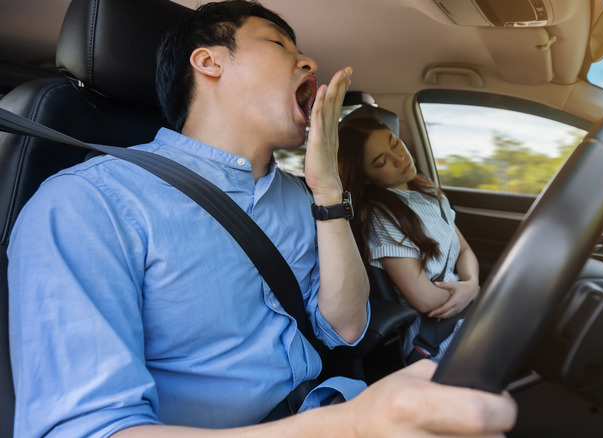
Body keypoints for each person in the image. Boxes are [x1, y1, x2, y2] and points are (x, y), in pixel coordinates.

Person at [7, 0, 516, 436]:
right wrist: (351, 426)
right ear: (209, 62)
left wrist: (329, 192)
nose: (308, 60)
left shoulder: (302, 196)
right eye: (280, 45)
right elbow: (87, 428)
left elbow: (347, 330)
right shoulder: (88, 205)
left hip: (332, 404)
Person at [337, 117, 481, 362]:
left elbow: (464, 250)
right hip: (434, 333)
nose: (399, 158)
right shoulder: (381, 219)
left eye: (395, 143)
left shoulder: (426, 191)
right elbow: (423, 299)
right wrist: (468, 294)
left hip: (464, 308)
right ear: (367, 178)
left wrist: (472, 283)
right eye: (381, 161)